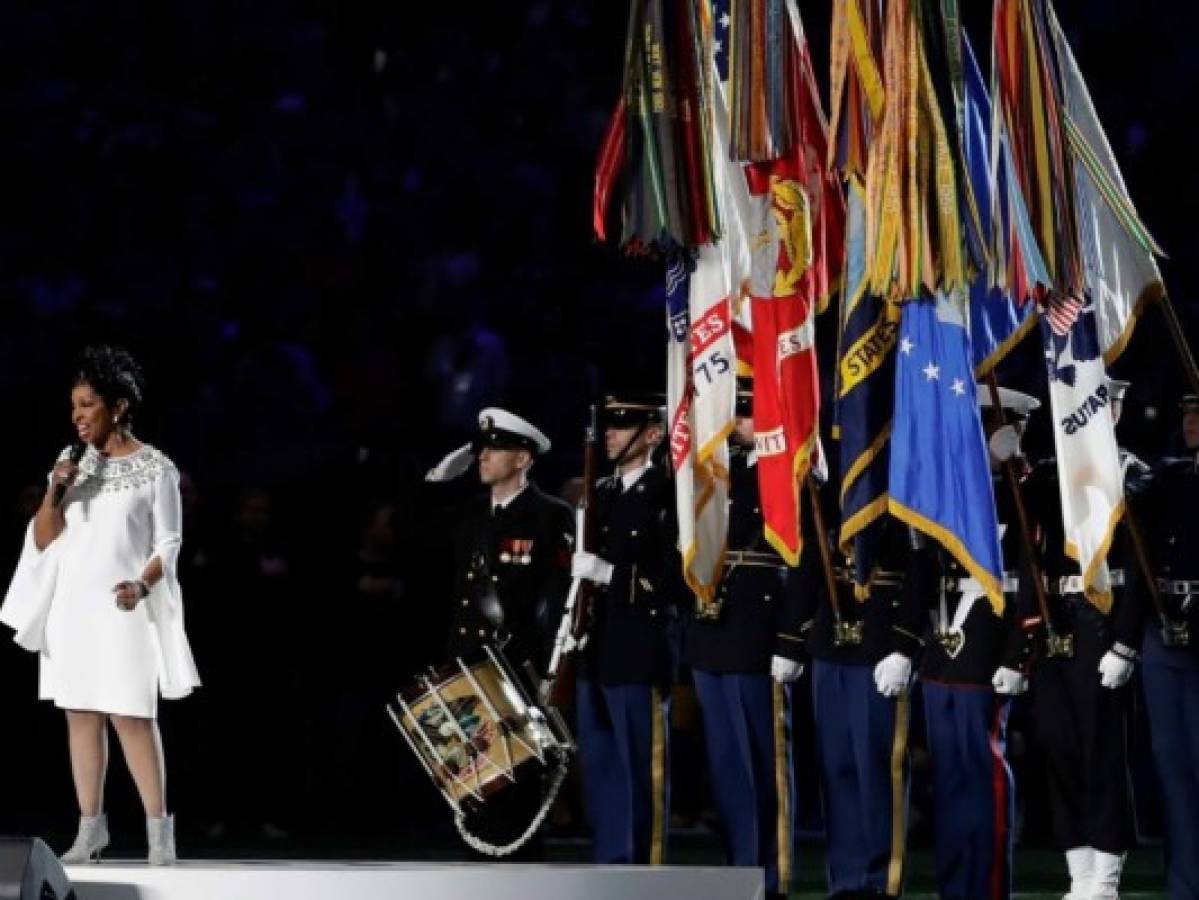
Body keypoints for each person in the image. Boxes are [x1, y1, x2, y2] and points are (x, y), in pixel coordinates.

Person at [0, 345, 200, 865]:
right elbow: (44, 536)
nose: (78, 416)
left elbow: (169, 542)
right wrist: (55, 492)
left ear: (118, 406)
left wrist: (142, 583)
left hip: (124, 606)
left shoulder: (157, 467)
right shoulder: (71, 465)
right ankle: (91, 831)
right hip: (73, 608)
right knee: (80, 716)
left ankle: (160, 834)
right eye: (74, 407)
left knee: (132, 716)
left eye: (88, 404)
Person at [426, 407, 573, 857]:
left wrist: (549, 673)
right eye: (481, 449)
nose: (483, 457)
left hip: (515, 668)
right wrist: (436, 480)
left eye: (495, 449)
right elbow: (412, 530)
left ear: (522, 459)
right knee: (470, 782)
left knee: (517, 786)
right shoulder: (469, 514)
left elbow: (561, 600)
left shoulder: (550, 515)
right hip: (465, 662)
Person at [682, 383, 809, 900]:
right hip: (713, 629)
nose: (738, 424)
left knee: (766, 758)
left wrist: (790, 638)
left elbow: (803, 567)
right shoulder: (714, 472)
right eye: (735, 415)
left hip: (760, 630)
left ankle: (772, 872)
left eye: (747, 414)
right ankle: (739, 866)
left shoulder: (789, 474)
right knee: (728, 761)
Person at [1019, 379, 1144, 900]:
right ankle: (1079, 869)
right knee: (1058, 745)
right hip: (1057, 622)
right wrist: (1010, 460)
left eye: (1103, 405)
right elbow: (1023, 517)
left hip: (1103, 618)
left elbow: (1140, 566)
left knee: (1102, 750)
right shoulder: (1051, 473)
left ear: (1114, 412)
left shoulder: (1131, 471)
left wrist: (1125, 643)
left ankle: (1107, 874)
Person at [919, 386, 1040, 900]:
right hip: (943, 647)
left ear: (1011, 430)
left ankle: (988, 886)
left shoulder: (1029, 492)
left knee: (982, 771)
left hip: (988, 649)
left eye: (989, 426)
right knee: (947, 777)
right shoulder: (953, 488)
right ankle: (954, 884)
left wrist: (1019, 654)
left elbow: (1035, 580)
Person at [800, 487, 938, 899]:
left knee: (877, 768)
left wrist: (905, 643)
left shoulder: (908, 480)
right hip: (832, 641)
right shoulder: (829, 484)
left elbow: (923, 567)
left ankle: (880, 881)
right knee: (837, 767)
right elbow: (813, 555)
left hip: (881, 642)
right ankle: (845, 879)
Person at [570, 393, 684, 864]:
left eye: (623, 426)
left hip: (640, 647)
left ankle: (643, 866)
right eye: (610, 426)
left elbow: (676, 579)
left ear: (653, 435)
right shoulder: (604, 493)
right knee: (601, 766)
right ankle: (609, 861)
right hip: (594, 646)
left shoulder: (667, 493)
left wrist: (611, 575)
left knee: (642, 765)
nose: (611, 435)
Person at [1132, 393, 1199, 899]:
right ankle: (1182, 885)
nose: (1190, 422)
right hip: (1164, 630)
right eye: (1187, 413)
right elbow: (1130, 496)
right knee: (1171, 767)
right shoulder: (1169, 475)